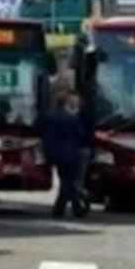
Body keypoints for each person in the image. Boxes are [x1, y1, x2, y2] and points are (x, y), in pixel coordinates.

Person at [41, 87, 90, 218]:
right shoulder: (71, 119)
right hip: (71, 154)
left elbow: (42, 133)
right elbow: (81, 135)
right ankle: (73, 206)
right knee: (69, 181)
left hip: (56, 153)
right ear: (65, 103)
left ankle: (65, 208)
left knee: (65, 181)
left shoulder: (49, 118)